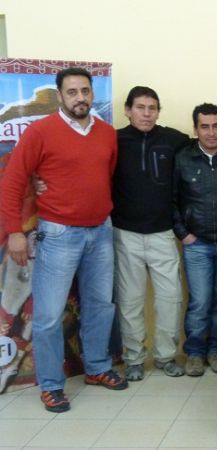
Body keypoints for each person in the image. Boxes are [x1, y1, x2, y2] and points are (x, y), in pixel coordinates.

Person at [1, 67, 127, 412]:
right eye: (72, 92)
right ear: (60, 96)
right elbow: (13, 181)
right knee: (49, 315)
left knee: (101, 306)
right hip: (58, 234)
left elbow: (105, 174)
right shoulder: (40, 132)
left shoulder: (106, 133)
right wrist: (15, 230)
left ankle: (98, 368)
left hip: (101, 230)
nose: (80, 98)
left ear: (92, 93)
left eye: (85, 91)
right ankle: (52, 385)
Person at [113, 86, 190, 380]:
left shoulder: (173, 140)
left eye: (153, 108)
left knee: (170, 299)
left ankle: (166, 356)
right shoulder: (113, 140)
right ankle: (133, 358)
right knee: (131, 299)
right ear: (128, 109)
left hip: (162, 233)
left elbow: (209, 145)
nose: (147, 113)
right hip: (125, 233)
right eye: (141, 107)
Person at [173, 103, 217, 377]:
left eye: (216, 126)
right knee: (200, 301)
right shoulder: (183, 158)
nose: (211, 132)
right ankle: (194, 352)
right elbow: (172, 200)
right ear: (196, 129)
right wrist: (184, 234)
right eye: (205, 127)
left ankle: (216, 350)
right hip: (197, 243)